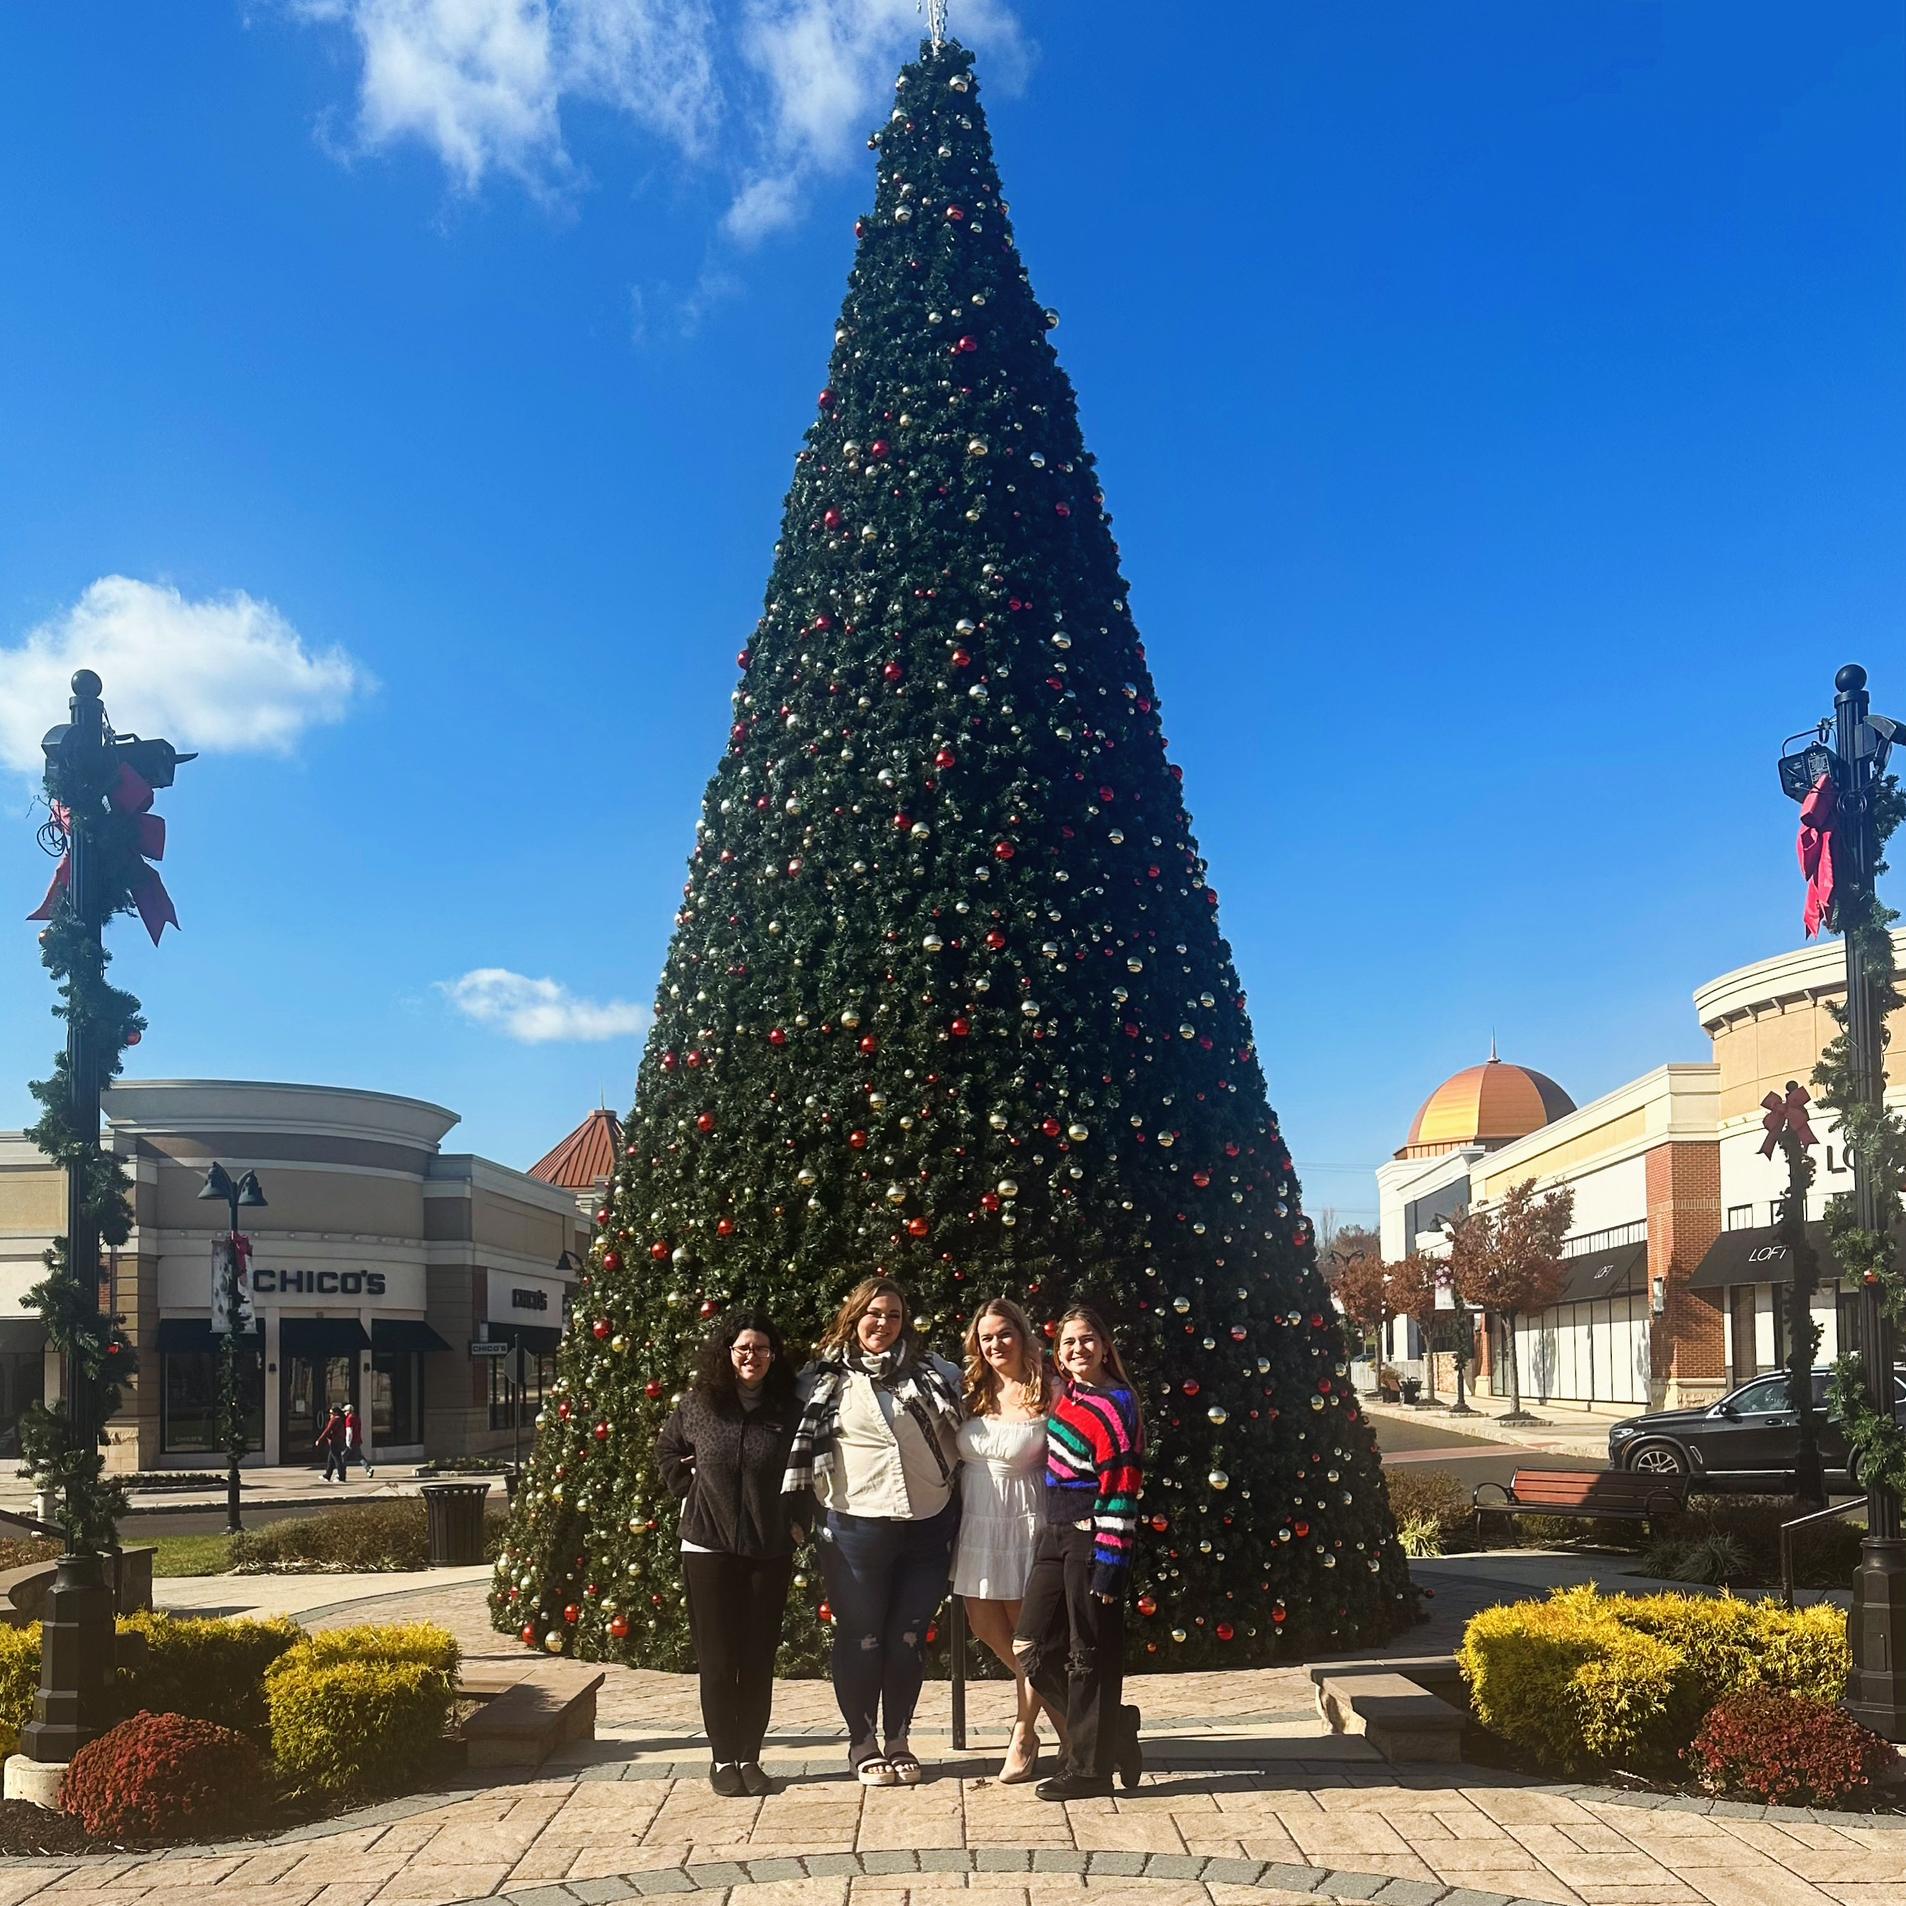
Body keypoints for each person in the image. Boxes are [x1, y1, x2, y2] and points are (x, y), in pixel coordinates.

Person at [783, 1275, 962, 1788]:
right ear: (855, 1316)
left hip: (928, 1524)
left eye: (893, 1315)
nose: (882, 1323)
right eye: (873, 1314)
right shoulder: (821, 1379)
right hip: (855, 1526)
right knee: (861, 1636)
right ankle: (862, 1742)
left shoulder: (934, 1373)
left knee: (907, 1638)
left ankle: (899, 1737)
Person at [657, 1311, 802, 1797]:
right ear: (727, 1352)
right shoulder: (700, 1405)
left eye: (761, 1349)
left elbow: (808, 1465)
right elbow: (666, 1450)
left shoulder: (788, 1410)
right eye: (743, 1348)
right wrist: (687, 1486)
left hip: (769, 1548)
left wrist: (798, 1520)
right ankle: (723, 1758)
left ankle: (750, 1757)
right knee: (718, 1659)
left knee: (757, 1657)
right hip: (707, 1546)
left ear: (773, 1356)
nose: (751, 1357)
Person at [1014, 1304, 1145, 1802]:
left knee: (1087, 1652)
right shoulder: (1066, 1395)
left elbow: (1121, 1489)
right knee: (1030, 1644)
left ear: (1105, 1346)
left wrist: (1111, 1565)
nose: (1078, 1349)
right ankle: (1110, 1730)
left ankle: (1090, 1768)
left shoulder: (1116, 1404)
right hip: (1054, 1533)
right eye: (1068, 1343)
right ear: (1058, 1354)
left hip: (1093, 1537)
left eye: (1087, 1339)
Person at [952, 1296, 1065, 1783]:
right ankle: (1064, 1714)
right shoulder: (969, 1390)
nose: (996, 1343)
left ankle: (1023, 1731)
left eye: (1004, 1333)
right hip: (977, 1521)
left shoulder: (1050, 1391)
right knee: (982, 1623)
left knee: (1027, 1633)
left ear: (1021, 1335)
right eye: (986, 1336)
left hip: (1025, 1522)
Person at [339, 1402, 375, 1479]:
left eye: (345, 1411)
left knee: (343, 1456)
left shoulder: (349, 1419)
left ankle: (341, 1473)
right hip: (357, 1440)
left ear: (348, 1411)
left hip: (351, 1441)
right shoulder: (357, 1417)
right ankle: (368, 1468)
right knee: (359, 1456)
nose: (344, 1413)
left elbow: (349, 1432)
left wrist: (348, 1442)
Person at [314, 1404, 345, 1481]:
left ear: (335, 1413)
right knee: (330, 1459)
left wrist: (319, 1440)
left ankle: (341, 1476)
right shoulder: (340, 1419)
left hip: (335, 1442)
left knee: (337, 1460)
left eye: (331, 1413)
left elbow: (327, 1430)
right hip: (337, 1441)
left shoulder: (335, 1420)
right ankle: (327, 1475)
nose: (330, 1415)